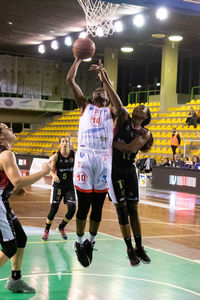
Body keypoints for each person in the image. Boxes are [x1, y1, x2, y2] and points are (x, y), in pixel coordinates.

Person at [66, 58, 119, 267]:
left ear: (107, 98)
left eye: (104, 92)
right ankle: (79, 242)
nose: (100, 92)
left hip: (104, 160)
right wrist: (78, 59)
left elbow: (119, 103)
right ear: (92, 96)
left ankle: (90, 242)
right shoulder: (84, 106)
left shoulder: (112, 112)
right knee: (83, 207)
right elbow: (70, 80)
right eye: (98, 90)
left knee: (97, 209)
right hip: (85, 158)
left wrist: (105, 79)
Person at [0, 123, 51, 293]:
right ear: (1, 136)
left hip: (3, 201)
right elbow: (19, 181)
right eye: (6, 127)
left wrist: (10, 191)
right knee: (9, 247)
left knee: (20, 238)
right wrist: (44, 172)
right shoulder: (6, 154)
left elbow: (11, 183)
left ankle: (15, 280)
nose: (11, 129)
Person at [108, 103, 153, 267]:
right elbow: (117, 101)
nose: (139, 106)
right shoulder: (123, 119)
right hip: (113, 169)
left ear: (146, 116)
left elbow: (129, 148)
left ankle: (139, 247)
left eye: (143, 107)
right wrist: (105, 81)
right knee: (122, 209)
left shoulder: (145, 133)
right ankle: (130, 250)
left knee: (133, 209)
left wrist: (110, 143)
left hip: (129, 169)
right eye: (138, 105)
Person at [42, 136, 76, 241]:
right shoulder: (56, 156)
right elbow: (47, 166)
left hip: (69, 186)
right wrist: (53, 175)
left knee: (72, 209)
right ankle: (46, 231)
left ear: (69, 143)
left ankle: (61, 227)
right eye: (63, 141)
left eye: (67, 141)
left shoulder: (73, 154)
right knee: (54, 209)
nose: (65, 143)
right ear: (60, 144)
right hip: (59, 185)